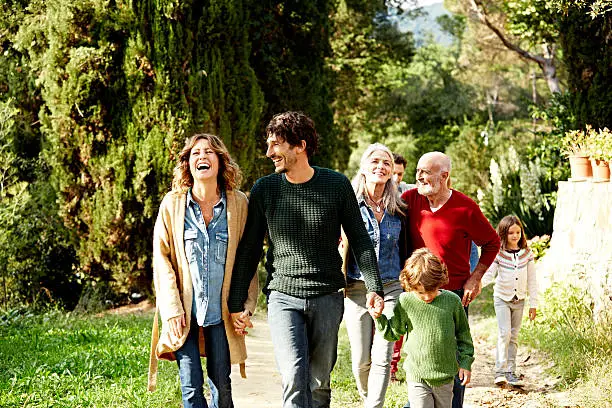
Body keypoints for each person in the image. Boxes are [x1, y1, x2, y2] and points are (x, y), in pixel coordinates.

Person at [228, 111, 385, 408]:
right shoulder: (266, 189)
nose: (268, 152)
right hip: (283, 296)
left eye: (276, 145)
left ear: (299, 146)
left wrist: (374, 286)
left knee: (319, 382)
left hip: (327, 296)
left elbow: (360, 239)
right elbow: (249, 248)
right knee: (294, 376)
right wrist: (238, 303)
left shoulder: (336, 185)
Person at [148, 134, 259, 408]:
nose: (202, 157)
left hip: (221, 315)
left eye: (209, 152)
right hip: (185, 315)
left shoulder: (239, 204)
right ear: (187, 163)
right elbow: (161, 260)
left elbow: (248, 261)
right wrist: (172, 309)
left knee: (222, 385)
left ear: (220, 161)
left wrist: (246, 306)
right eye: (195, 153)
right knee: (190, 387)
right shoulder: (172, 205)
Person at [401, 151, 500, 408]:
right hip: (417, 294)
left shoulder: (465, 207)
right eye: (418, 171)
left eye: (426, 172)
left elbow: (491, 243)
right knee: (421, 356)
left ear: (444, 176)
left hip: (454, 294)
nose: (419, 176)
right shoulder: (409, 200)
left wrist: (475, 278)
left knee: (453, 359)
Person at [341, 143, 412, 408]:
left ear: (392, 171)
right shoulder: (349, 205)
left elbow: (406, 247)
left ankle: (374, 406)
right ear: (363, 168)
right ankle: (367, 400)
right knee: (362, 359)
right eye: (375, 161)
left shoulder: (400, 209)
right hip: (357, 289)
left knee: (383, 354)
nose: (380, 167)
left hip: (392, 287)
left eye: (386, 163)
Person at [376, 248, 474, 408]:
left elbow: (464, 335)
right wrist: (379, 317)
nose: (427, 296)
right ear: (410, 285)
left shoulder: (452, 301)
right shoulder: (406, 301)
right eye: (421, 293)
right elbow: (392, 332)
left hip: (445, 376)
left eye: (432, 290)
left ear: (440, 281)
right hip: (417, 375)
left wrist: (465, 362)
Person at [481, 215, 538, 387]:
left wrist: (533, 304)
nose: (515, 236)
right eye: (511, 233)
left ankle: (510, 372)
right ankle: (500, 371)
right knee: (504, 333)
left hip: (519, 300)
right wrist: (476, 286)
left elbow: (532, 281)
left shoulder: (527, 254)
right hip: (502, 299)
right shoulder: (499, 254)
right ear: (504, 234)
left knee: (514, 337)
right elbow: (490, 274)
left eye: (518, 232)